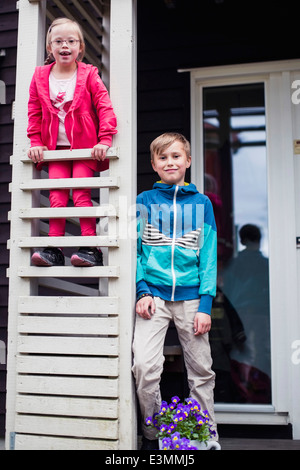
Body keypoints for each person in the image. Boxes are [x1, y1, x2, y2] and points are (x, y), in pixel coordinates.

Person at [132, 133, 219, 450]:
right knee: (144, 366)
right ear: (154, 164)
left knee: (200, 371)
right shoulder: (144, 201)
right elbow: (135, 251)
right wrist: (141, 290)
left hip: (192, 298)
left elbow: (208, 254)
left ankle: (203, 437)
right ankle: (153, 435)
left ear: (188, 161)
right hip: (152, 296)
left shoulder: (202, 203)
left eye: (176, 156)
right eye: (163, 157)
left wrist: (206, 304)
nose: (170, 162)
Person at [27, 17, 117, 267]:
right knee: (56, 196)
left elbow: (104, 106)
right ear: (49, 47)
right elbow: (34, 111)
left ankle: (90, 247)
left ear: (80, 48)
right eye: (58, 41)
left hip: (85, 148)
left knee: (80, 195)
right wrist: (36, 141)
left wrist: (105, 139)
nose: (64, 45)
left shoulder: (88, 74)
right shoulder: (40, 76)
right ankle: (53, 248)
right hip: (56, 149)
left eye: (71, 41)